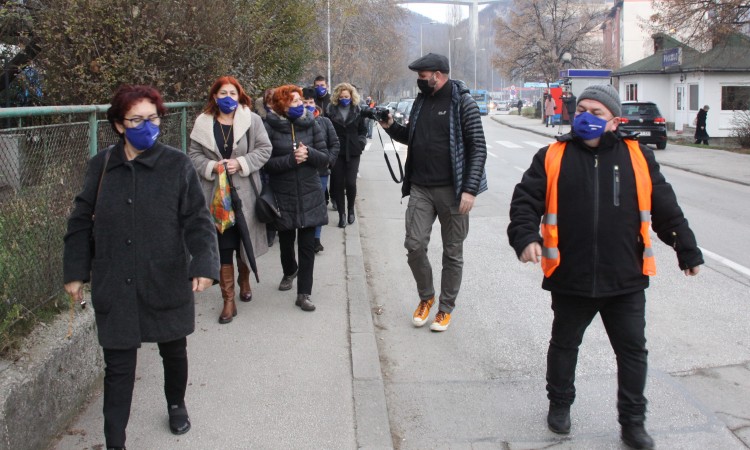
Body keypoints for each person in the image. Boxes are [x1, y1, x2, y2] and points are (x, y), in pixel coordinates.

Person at [507, 84, 704, 450]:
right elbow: (525, 202)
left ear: (615, 120)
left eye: (596, 113)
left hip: (625, 276)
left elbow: (665, 207)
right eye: (581, 110)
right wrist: (525, 238)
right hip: (570, 274)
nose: (586, 118)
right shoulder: (552, 155)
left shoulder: (638, 157)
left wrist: (686, 250)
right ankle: (560, 405)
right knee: (565, 345)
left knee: (632, 352)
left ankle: (633, 423)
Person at [63, 84, 219, 450]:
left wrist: (204, 264)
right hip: (115, 280)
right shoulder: (101, 165)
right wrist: (75, 271)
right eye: (137, 120)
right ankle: (114, 442)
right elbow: (81, 219)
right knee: (118, 369)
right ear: (119, 124)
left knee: (173, 350)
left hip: (164, 274)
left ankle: (176, 404)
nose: (146, 126)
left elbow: (197, 219)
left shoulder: (177, 164)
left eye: (153, 118)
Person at [378, 52, 487, 332]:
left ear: (437, 75)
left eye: (422, 77)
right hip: (421, 188)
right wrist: (390, 126)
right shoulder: (421, 101)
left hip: (454, 190)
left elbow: (478, 147)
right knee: (414, 245)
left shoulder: (463, 103)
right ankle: (426, 297)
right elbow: (411, 136)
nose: (419, 81)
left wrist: (470, 189)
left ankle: (445, 308)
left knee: (452, 252)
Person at [188, 76, 273, 324]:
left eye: (232, 94)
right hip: (216, 196)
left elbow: (264, 149)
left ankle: (244, 279)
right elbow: (193, 155)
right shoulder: (203, 124)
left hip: (245, 192)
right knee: (224, 243)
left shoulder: (252, 120)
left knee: (243, 241)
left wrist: (241, 163)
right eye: (223, 93)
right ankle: (228, 300)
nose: (228, 98)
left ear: (240, 96)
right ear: (214, 96)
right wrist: (213, 166)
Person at [264, 84, 329, 311]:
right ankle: (289, 270)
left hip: (310, 192)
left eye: (300, 101)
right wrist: (291, 160)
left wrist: (309, 154)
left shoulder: (312, 124)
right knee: (285, 241)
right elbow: (266, 164)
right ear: (282, 105)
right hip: (283, 194)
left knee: (307, 244)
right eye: (294, 102)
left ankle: (304, 293)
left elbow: (326, 158)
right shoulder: (269, 127)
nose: (299, 105)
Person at [302, 87, 340, 253]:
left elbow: (335, 144)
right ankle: (304, 233)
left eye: (311, 102)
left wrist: (328, 162)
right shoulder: (294, 124)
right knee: (303, 203)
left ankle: (316, 238)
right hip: (302, 172)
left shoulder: (325, 122)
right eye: (305, 103)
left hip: (321, 172)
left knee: (318, 204)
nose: (309, 106)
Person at [326, 82, 368, 228]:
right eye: (342, 96)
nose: (344, 98)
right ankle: (341, 215)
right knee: (338, 183)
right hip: (337, 151)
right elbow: (326, 130)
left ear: (351, 96)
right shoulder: (331, 111)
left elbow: (363, 130)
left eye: (347, 96)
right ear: (337, 96)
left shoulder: (357, 110)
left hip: (353, 150)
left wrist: (361, 143)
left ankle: (351, 209)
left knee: (350, 182)